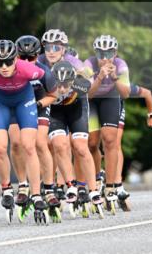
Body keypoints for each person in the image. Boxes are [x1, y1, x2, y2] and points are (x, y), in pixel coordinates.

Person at [0, 39, 45, 213]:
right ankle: (6, 189)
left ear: (16, 59)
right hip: (0, 103)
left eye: (8, 61)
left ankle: (36, 194)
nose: (4, 67)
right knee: (0, 148)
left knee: (29, 146)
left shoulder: (29, 69)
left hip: (24, 101)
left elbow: (46, 78)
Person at [38, 59, 103, 211]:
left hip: (77, 110)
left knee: (80, 147)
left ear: (73, 81)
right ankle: (70, 185)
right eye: (58, 85)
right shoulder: (46, 84)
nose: (61, 89)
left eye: (66, 85)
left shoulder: (81, 84)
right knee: (59, 146)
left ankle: (93, 189)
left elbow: (92, 94)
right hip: (56, 113)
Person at [83, 34, 131, 208]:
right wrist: (100, 77)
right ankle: (96, 180)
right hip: (93, 100)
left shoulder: (121, 65)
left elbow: (125, 94)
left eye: (108, 53)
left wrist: (115, 77)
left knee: (110, 140)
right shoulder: (88, 64)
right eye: (100, 53)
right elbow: (88, 94)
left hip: (111, 98)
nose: (104, 58)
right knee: (92, 142)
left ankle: (110, 187)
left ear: (115, 53)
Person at [13, 34, 58, 211]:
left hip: (39, 104)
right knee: (16, 144)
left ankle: (48, 188)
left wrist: (37, 105)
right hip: (16, 106)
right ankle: (23, 185)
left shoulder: (43, 71)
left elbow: (53, 96)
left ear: (37, 56)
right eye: (22, 57)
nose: (26, 61)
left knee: (39, 144)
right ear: (15, 56)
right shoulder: (9, 70)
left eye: (30, 57)